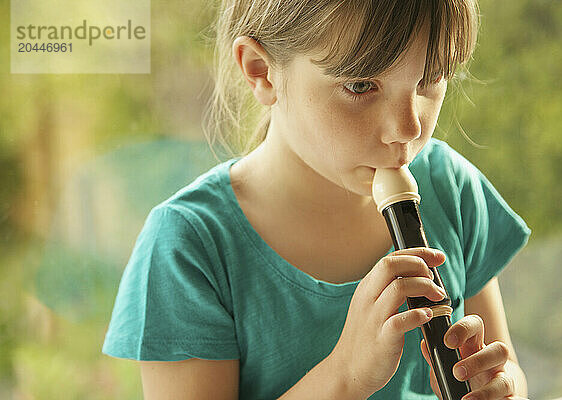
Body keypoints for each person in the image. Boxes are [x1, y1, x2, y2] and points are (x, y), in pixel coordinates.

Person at [102, 1, 532, 399]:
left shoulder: (449, 186)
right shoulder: (189, 245)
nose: (407, 128)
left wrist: (499, 384)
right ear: (261, 71)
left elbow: (506, 366)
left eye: (430, 78)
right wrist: (344, 375)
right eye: (362, 85)